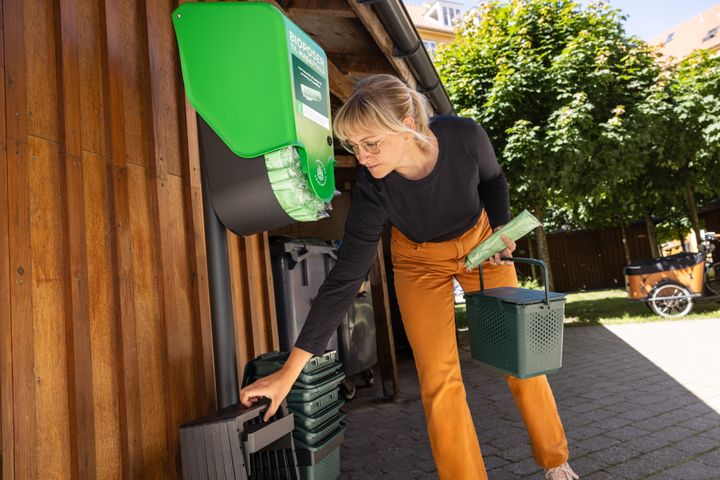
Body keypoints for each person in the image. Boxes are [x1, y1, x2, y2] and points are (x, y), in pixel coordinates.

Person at [240, 74, 579, 480]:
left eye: (371, 144)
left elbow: (492, 180)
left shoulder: (465, 136)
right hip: (419, 261)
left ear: (409, 124)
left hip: (481, 244)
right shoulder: (374, 189)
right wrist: (287, 375)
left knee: (523, 360)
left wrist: (501, 229)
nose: (362, 158)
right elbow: (345, 278)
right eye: (353, 146)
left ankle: (556, 461)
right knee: (439, 380)